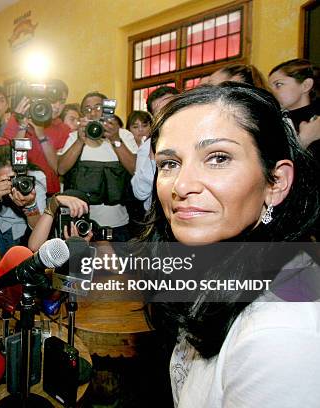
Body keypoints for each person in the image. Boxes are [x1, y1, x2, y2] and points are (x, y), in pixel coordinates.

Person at [145, 83, 320, 407]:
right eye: (169, 163)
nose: (181, 185)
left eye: (218, 158)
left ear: (275, 182)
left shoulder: (280, 332)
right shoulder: (226, 266)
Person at [57, 92, 137, 242]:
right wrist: (80, 141)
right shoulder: (75, 137)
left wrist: (115, 139)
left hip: (117, 223)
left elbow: (135, 169)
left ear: (107, 110)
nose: (93, 113)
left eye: (98, 107)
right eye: (87, 109)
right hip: (82, 223)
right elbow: (61, 169)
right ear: (82, 115)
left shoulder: (124, 135)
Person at [0, 78, 70, 196]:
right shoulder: (18, 118)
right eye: (53, 100)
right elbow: (6, 157)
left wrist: (41, 135)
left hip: (49, 192)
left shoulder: (63, 129)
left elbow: (58, 168)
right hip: (18, 189)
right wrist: (22, 125)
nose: (57, 106)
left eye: (62, 102)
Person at [0, 146, 47, 254]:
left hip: (25, 230)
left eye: (15, 177)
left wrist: (30, 205)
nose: (11, 183)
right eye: (4, 180)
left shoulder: (35, 179)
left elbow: (39, 231)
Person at [132, 87, 181, 213]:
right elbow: (140, 192)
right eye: (161, 113)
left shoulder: (203, 137)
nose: (169, 115)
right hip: (161, 219)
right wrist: (154, 153)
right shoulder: (147, 148)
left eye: (172, 107)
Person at [268, 59, 320, 151]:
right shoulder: (273, 122)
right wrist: (304, 139)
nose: (271, 92)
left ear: (306, 85)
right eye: (270, 88)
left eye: (278, 84)